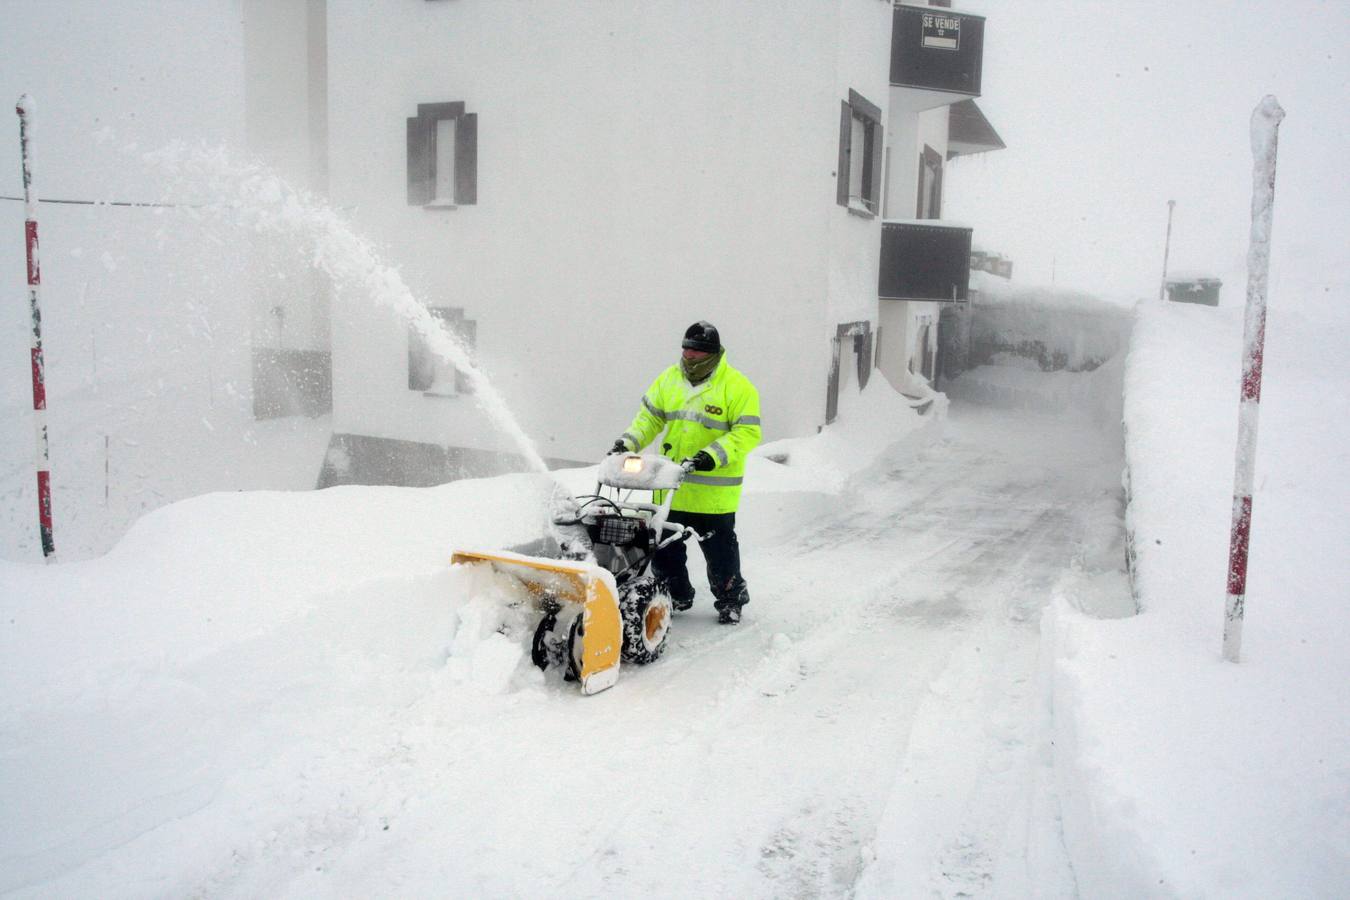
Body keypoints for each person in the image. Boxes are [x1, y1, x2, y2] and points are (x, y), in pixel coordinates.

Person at [610, 321, 761, 624]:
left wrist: (712, 455)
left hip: (713, 492)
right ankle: (674, 595)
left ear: (711, 353)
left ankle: (731, 598)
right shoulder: (669, 380)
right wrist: (627, 443)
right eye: (685, 348)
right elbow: (648, 419)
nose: (688, 355)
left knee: (719, 552)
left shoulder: (737, 386)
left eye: (695, 350)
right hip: (670, 486)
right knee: (664, 548)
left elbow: (747, 433)